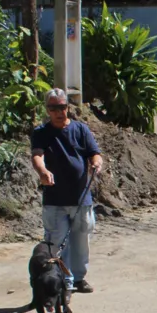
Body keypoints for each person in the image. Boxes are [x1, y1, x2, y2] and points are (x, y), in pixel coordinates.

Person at [31, 89, 103, 292]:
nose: (59, 112)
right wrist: (42, 171)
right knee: (55, 242)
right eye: (54, 108)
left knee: (80, 241)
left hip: (81, 197)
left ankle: (78, 278)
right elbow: (37, 156)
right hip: (54, 200)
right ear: (47, 110)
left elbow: (94, 153)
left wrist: (96, 164)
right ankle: (60, 280)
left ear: (68, 107)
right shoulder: (41, 133)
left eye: (62, 107)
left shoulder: (80, 130)